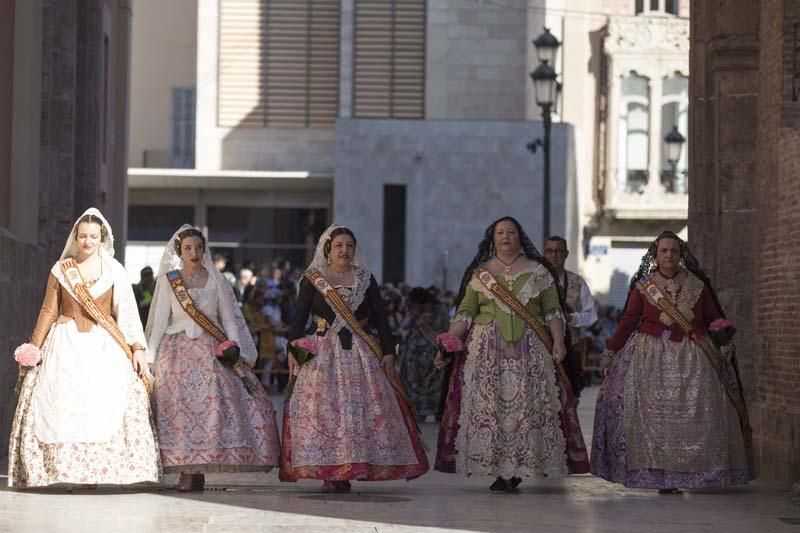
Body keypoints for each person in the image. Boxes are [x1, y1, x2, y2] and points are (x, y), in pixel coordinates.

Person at [434, 216, 590, 493]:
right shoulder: (480, 273)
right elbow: (465, 312)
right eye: (500, 232)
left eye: (511, 232)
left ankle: (518, 466)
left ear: (520, 237)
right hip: (486, 353)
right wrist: (449, 339)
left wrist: (558, 341)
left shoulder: (539, 272)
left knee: (525, 410)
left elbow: (552, 310)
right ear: (492, 239)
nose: (505, 236)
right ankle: (499, 469)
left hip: (530, 352)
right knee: (492, 410)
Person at [8, 208, 160, 488]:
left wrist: (137, 347)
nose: (87, 241)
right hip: (64, 344)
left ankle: (96, 472)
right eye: (83, 236)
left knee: (101, 401)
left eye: (93, 236)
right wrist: (34, 347)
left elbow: (125, 311)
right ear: (75, 238)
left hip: (104, 347)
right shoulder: (61, 269)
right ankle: (67, 472)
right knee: (62, 403)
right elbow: (48, 311)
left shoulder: (114, 270)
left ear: (102, 238)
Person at [591, 230, 753, 491]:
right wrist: (611, 351)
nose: (669, 255)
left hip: (694, 357)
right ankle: (661, 476)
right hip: (650, 357)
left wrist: (722, 334)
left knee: (696, 415)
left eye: (674, 251)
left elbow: (711, 315)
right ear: (656, 254)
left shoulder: (697, 285)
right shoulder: (644, 287)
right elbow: (629, 320)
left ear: (681, 255)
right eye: (664, 251)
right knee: (655, 418)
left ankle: (696, 473)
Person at [280, 224, 429, 493]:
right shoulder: (313, 279)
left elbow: (382, 319)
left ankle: (354, 466)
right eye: (339, 245)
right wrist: (292, 350)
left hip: (359, 352)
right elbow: (299, 318)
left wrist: (388, 352)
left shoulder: (365, 279)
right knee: (325, 412)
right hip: (322, 353)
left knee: (358, 411)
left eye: (349, 245)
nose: (344, 250)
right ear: (328, 249)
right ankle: (330, 472)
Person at [145, 225, 280, 492]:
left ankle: (201, 466)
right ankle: (186, 470)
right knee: (180, 411)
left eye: (198, 247)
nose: (193, 253)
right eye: (187, 248)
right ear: (179, 252)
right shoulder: (169, 280)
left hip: (211, 351)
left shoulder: (217, 280)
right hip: (177, 353)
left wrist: (234, 349)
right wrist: (150, 357)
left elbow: (229, 319)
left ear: (204, 249)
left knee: (212, 410)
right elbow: (160, 321)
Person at [542, 236, 598, 398]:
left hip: (570, 351)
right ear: (543, 253)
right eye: (550, 251)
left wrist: (572, 318)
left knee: (570, 399)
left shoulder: (578, 282)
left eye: (558, 251)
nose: (554, 255)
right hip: (540, 350)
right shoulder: (534, 281)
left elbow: (591, 316)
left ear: (566, 254)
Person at [397, 287, 450, 421]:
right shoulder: (413, 312)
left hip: (434, 352)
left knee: (434, 383)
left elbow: (448, 329)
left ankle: (435, 411)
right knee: (413, 384)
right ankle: (417, 412)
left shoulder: (440, 310)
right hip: (414, 355)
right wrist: (413, 316)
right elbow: (403, 326)